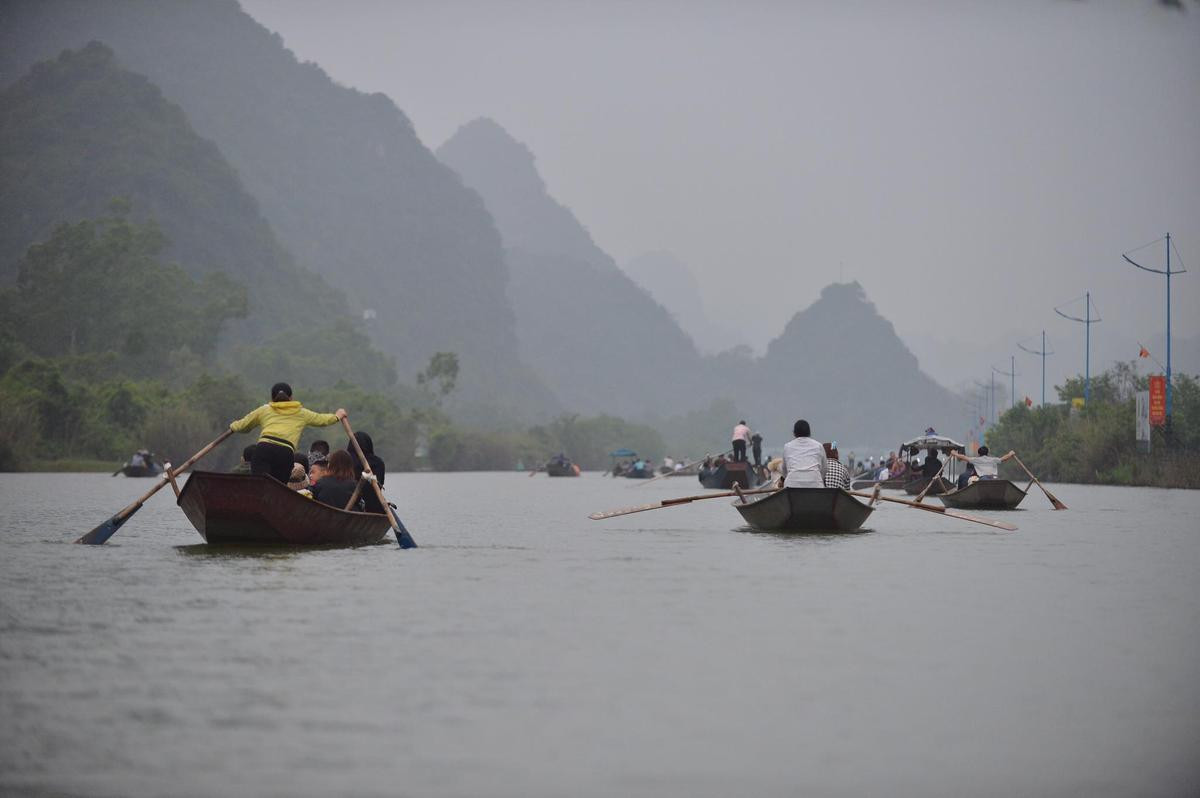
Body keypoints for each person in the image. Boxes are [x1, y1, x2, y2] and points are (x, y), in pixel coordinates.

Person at [229, 382, 346, 484]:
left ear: (272, 397)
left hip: (264, 449)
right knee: (278, 490)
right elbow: (322, 420)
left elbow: (242, 426)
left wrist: (233, 426)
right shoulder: (301, 412)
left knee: (259, 485)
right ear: (291, 397)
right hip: (285, 453)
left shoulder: (264, 410)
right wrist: (337, 416)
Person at [347, 431, 386, 514]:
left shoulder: (346, 460)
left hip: (348, 504)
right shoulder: (378, 462)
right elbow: (380, 484)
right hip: (373, 506)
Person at [780, 419, 827, 488]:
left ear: (794, 433)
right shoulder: (818, 446)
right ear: (809, 432)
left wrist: (783, 479)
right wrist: (819, 478)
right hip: (815, 485)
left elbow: (784, 469)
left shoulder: (787, 446)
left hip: (792, 485)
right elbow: (824, 469)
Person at [948, 445, 1015, 479]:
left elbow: (963, 457)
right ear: (987, 453)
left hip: (984, 480)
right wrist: (1010, 454)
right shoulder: (993, 459)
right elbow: (1004, 458)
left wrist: (954, 453)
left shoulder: (976, 460)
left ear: (979, 454)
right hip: (994, 479)